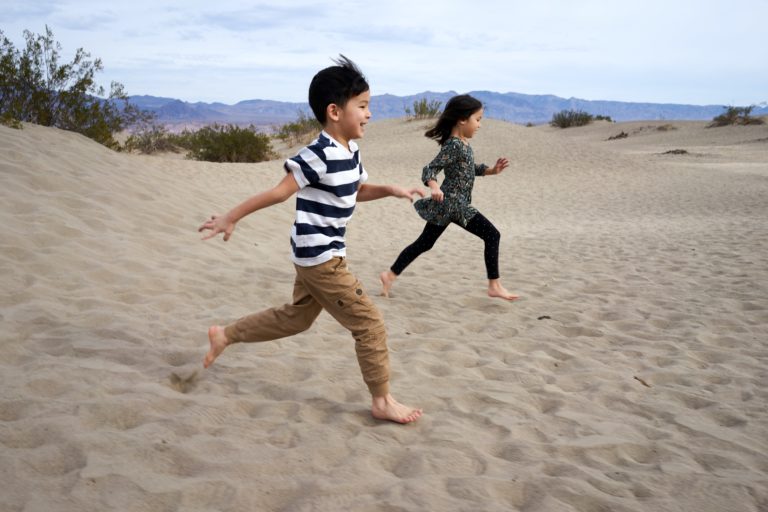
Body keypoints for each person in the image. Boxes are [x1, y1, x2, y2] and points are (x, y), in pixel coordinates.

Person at [198, 56, 423, 424]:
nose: (369, 115)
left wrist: (393, 190)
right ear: (335, 111)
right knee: (369, 324)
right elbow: (278, 193)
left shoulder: (349, 152)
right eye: (363, 106)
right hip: (320, 258)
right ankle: (382, 401)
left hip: (317, 254)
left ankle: (225, 335)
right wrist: (230, 217)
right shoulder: (317, 155)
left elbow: (356, 190)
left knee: (297, 318)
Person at [379, 94, 518, 301]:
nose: (479, 125)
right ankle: (494, 285)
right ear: (462, 119)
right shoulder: (454, 145)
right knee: (492, 235)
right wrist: (434, 187)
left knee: (424, 243)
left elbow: (470, 169)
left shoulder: (463, 144)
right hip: (455, 204)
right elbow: (430, 169)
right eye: (477, 119)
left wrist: (492, 170)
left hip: (447, 206)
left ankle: (389, 275)